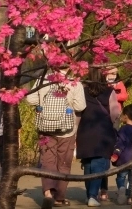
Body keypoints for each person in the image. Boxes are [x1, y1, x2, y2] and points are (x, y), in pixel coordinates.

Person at [27, 69, 87, 209]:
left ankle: (48, 193)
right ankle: (59, 198)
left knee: (48, 161)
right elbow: (80, 106)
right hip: (67, 130)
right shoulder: (74, 83)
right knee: (64, 163)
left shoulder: (44, 78)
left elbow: (30, 99)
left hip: (45, 128)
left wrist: (42, 102)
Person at [76, 68, 121, 207]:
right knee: (99, 164)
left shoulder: (82, 91)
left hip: (85, 131)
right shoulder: (109, 92)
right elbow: (115, 113)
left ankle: (90, 193)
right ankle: (92, 196)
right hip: (104, 132)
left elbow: (78, 113)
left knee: (88, 164)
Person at [112, 105, 132, 205]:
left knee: (121, 177)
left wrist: (116, 154)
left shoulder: (123, 129)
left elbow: (120, 143)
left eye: (122, 114)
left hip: (123, 159)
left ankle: (121, 188)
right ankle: (130, 197)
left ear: (126, 116)